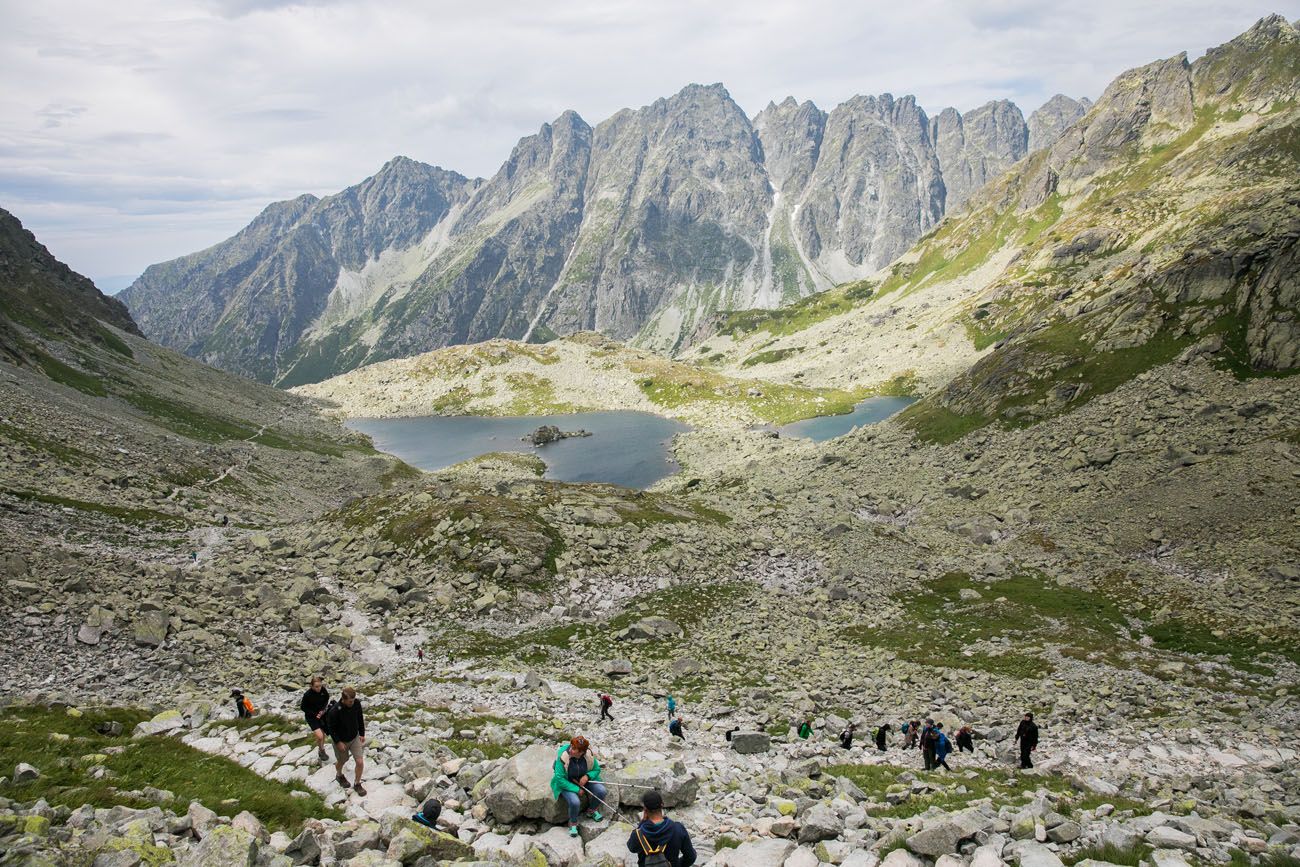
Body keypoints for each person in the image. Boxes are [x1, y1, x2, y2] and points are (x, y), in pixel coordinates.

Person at [551, 736, 607, 837]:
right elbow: (559, 778)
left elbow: (596, 769)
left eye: (574, 749)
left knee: (601, 791)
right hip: (567, 782)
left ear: (581, 752)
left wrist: (587, 776)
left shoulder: (588, 755)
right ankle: (573, 822)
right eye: (571, 746)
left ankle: (591, 810)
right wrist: (576, 789)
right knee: (575, 802)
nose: (571, 750)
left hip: (583, 779)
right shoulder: (563, 755)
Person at [627, 789, 697, 867]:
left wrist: (642, 823)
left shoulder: (637, 835)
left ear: (645, 810)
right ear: (662, 805)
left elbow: (631, 848)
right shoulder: (678, 829)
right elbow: (691, 857)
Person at [326, 687, 366, 796]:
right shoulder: (335, 711)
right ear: (343, 699)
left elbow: (359, 718)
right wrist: (338, 742)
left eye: (353, 700)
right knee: (343, 760)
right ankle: (339, 775)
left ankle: (357, 783)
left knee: (360, 761)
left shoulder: (356, 704)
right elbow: (331, 728)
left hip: (354, 737)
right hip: (341, 740)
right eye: (350, 701)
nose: (352, 703)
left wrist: (362, 733)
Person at [300, 676, 330, 761]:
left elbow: (326, 699)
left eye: (320, 686)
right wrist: (314, 714)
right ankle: (321, 750)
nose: (319, 688)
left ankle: (321, 749)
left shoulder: (323, 690)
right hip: (311, 717)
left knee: (323, 734)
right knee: (320, 736)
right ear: (312, 686)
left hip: (321, 714)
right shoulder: (307, 695)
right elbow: (303, 707)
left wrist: (323, 710)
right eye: (316, 686)